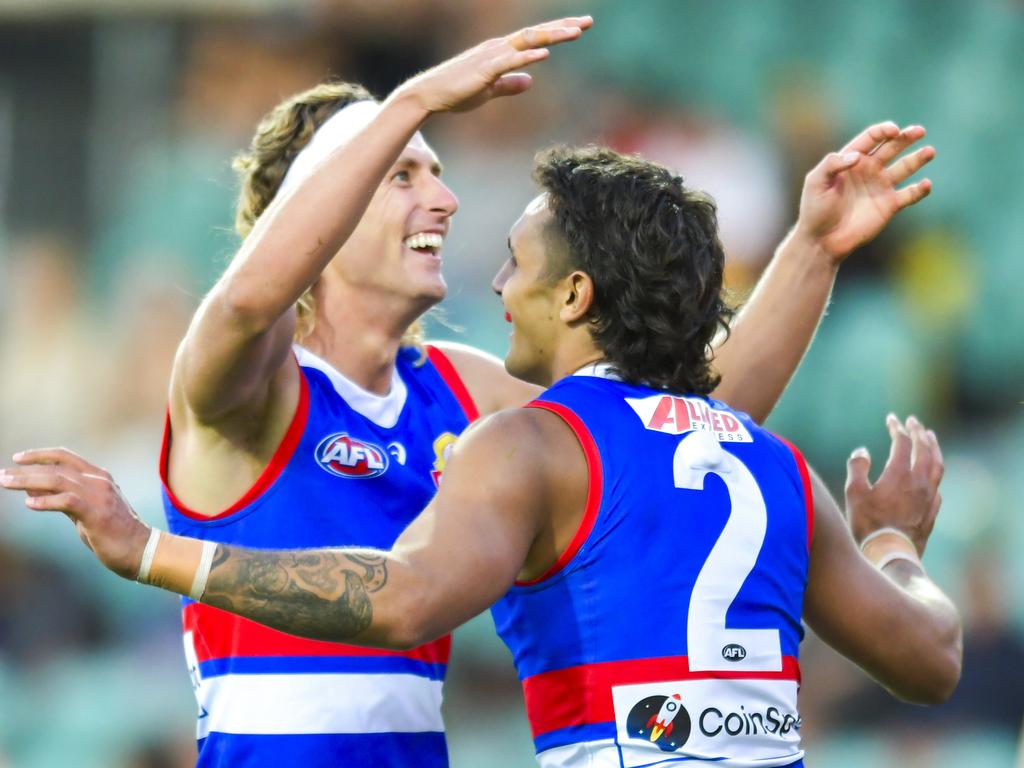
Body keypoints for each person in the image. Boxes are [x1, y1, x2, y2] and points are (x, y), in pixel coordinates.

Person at [15, 15, 938, 768]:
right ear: (320, 210)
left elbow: (678, 419)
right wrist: (411, 98)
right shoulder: (248, 389)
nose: (447, 202)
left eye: (440, 172)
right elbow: (250, 296)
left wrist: (811, 250)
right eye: (404, 175)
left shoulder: (455, 388)